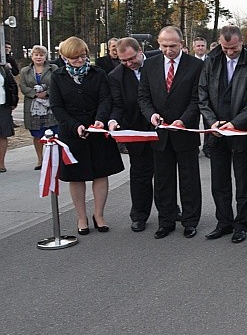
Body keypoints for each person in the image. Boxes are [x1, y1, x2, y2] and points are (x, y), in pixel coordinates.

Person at [198, 26, 247, 244]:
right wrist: (212, 122)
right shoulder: (211, 60)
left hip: (242, 131)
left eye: (234, 48)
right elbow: (202, 94)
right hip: (216, 131)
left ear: (242, 42)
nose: (229, 53)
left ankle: (241, 225)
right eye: (225, 48)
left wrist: (235, 124)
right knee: (219, 181)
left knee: (243, 181)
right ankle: (223, 222)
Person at [49, 37, 124, 234]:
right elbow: (57, 106)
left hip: (97, 130)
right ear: (64, 57)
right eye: (75, 58)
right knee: (76, 176)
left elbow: (105, 99)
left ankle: (99, 214)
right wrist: (75, 127)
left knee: (100, 173)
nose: (80, 61)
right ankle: (81, 217)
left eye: (83, 56)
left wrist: (100, 120)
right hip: (72, 133)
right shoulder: (57, 77)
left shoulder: (98, 74)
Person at [138, 26, 204, 239]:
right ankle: (165, 221)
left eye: (173, 46)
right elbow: (144, 97)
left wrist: (183, 120)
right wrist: (151, 116)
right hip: (160, 134)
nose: (168, 50)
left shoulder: (195, 66)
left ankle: (190, 221)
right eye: (164, 46)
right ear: (158, 44)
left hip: (185, 133)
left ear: (182, 44)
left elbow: (197, 99)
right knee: (163, 180)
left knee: (189, 180)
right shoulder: (150, 65)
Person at [107, 38, 156, 232]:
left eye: (131, 58)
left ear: (140, 51)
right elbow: (118, 104)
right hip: (136, 130)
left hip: (160, 127)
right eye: (123, 61)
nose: (129, 64)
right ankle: (139, 215)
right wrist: (113, 120)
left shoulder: (156, 62)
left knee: (164, 173)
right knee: (139, 175)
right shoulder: (116, 76)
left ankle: (169, 210)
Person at [18, 45, 59, 170]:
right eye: (36, 55)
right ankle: (40, 160)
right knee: (37, 134)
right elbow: (23, 86)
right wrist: (34, 94)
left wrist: (46, 93)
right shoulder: (25, 71)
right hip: (33, 106)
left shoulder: (53, 68)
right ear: (32, 56)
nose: (38, 57)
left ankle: (54, 158)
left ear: (45, 56)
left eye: (41, 55)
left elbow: (57, 83)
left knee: (53, 132)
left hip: (49, 106)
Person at [0, 60, 18, 172]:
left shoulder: (4, 68)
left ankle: (1, 164)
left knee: (3, 134)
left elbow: (12, 85)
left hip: (3, 105)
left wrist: (13, 102)